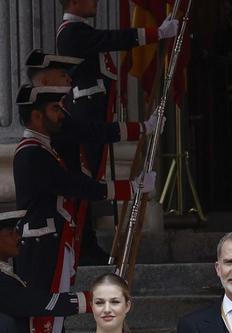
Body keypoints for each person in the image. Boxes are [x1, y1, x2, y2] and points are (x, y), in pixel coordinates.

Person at [12, 83, 153, 333]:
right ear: (38, 115)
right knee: (43, 331)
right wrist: (128, 189)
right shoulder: (32, 153)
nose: (62, 114)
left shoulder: (44, 150)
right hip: (42, 250)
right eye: (55, 110)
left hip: (54, 244)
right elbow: (73, 185)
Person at [56, 0, 178, 262]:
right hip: (87, 115)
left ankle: (86, 247)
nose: (95, 2)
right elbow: (113, 39)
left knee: (88, 182)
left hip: (94, 113)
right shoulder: (72, 32)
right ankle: (84, 248)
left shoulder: (79, 30)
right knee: (85, 185)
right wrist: (156, 33)